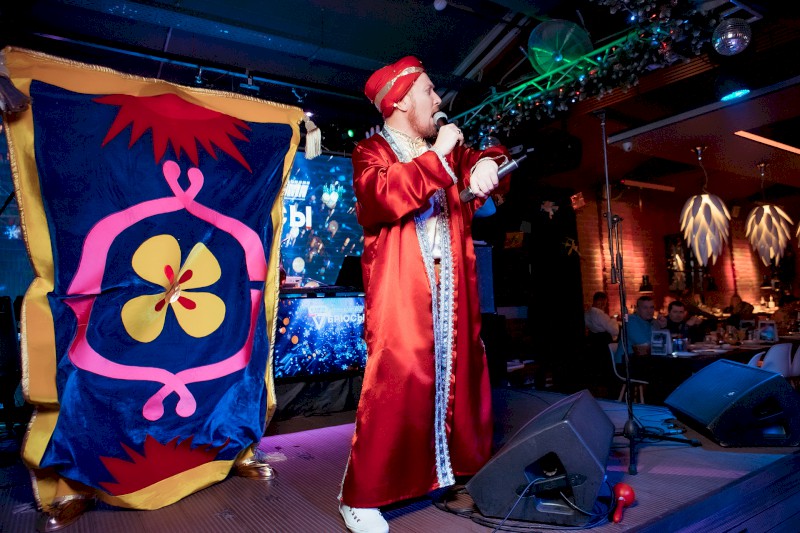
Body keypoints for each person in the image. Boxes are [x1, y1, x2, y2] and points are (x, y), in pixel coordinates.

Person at [338, 56, 510, 533]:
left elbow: (493, 156)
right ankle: (360, 496)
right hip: (402, 287)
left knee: (461, 372)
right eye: (429, 91)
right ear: (400, 100)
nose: (437, 100)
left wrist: (488, 165)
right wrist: (440, 157)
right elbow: (380, 198)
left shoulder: (449, 149)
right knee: (396, 379)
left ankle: (450, 472)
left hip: (452, 287)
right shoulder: (372, 151)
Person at [615, 295, 659, 362]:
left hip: (642, 360)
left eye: (651, 307)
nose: (649, 311)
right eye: (645, 308)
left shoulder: (651, 322)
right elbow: (644, 344)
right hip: (625, 362)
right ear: (637, 309)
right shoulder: (630, 321)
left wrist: (661, 326)